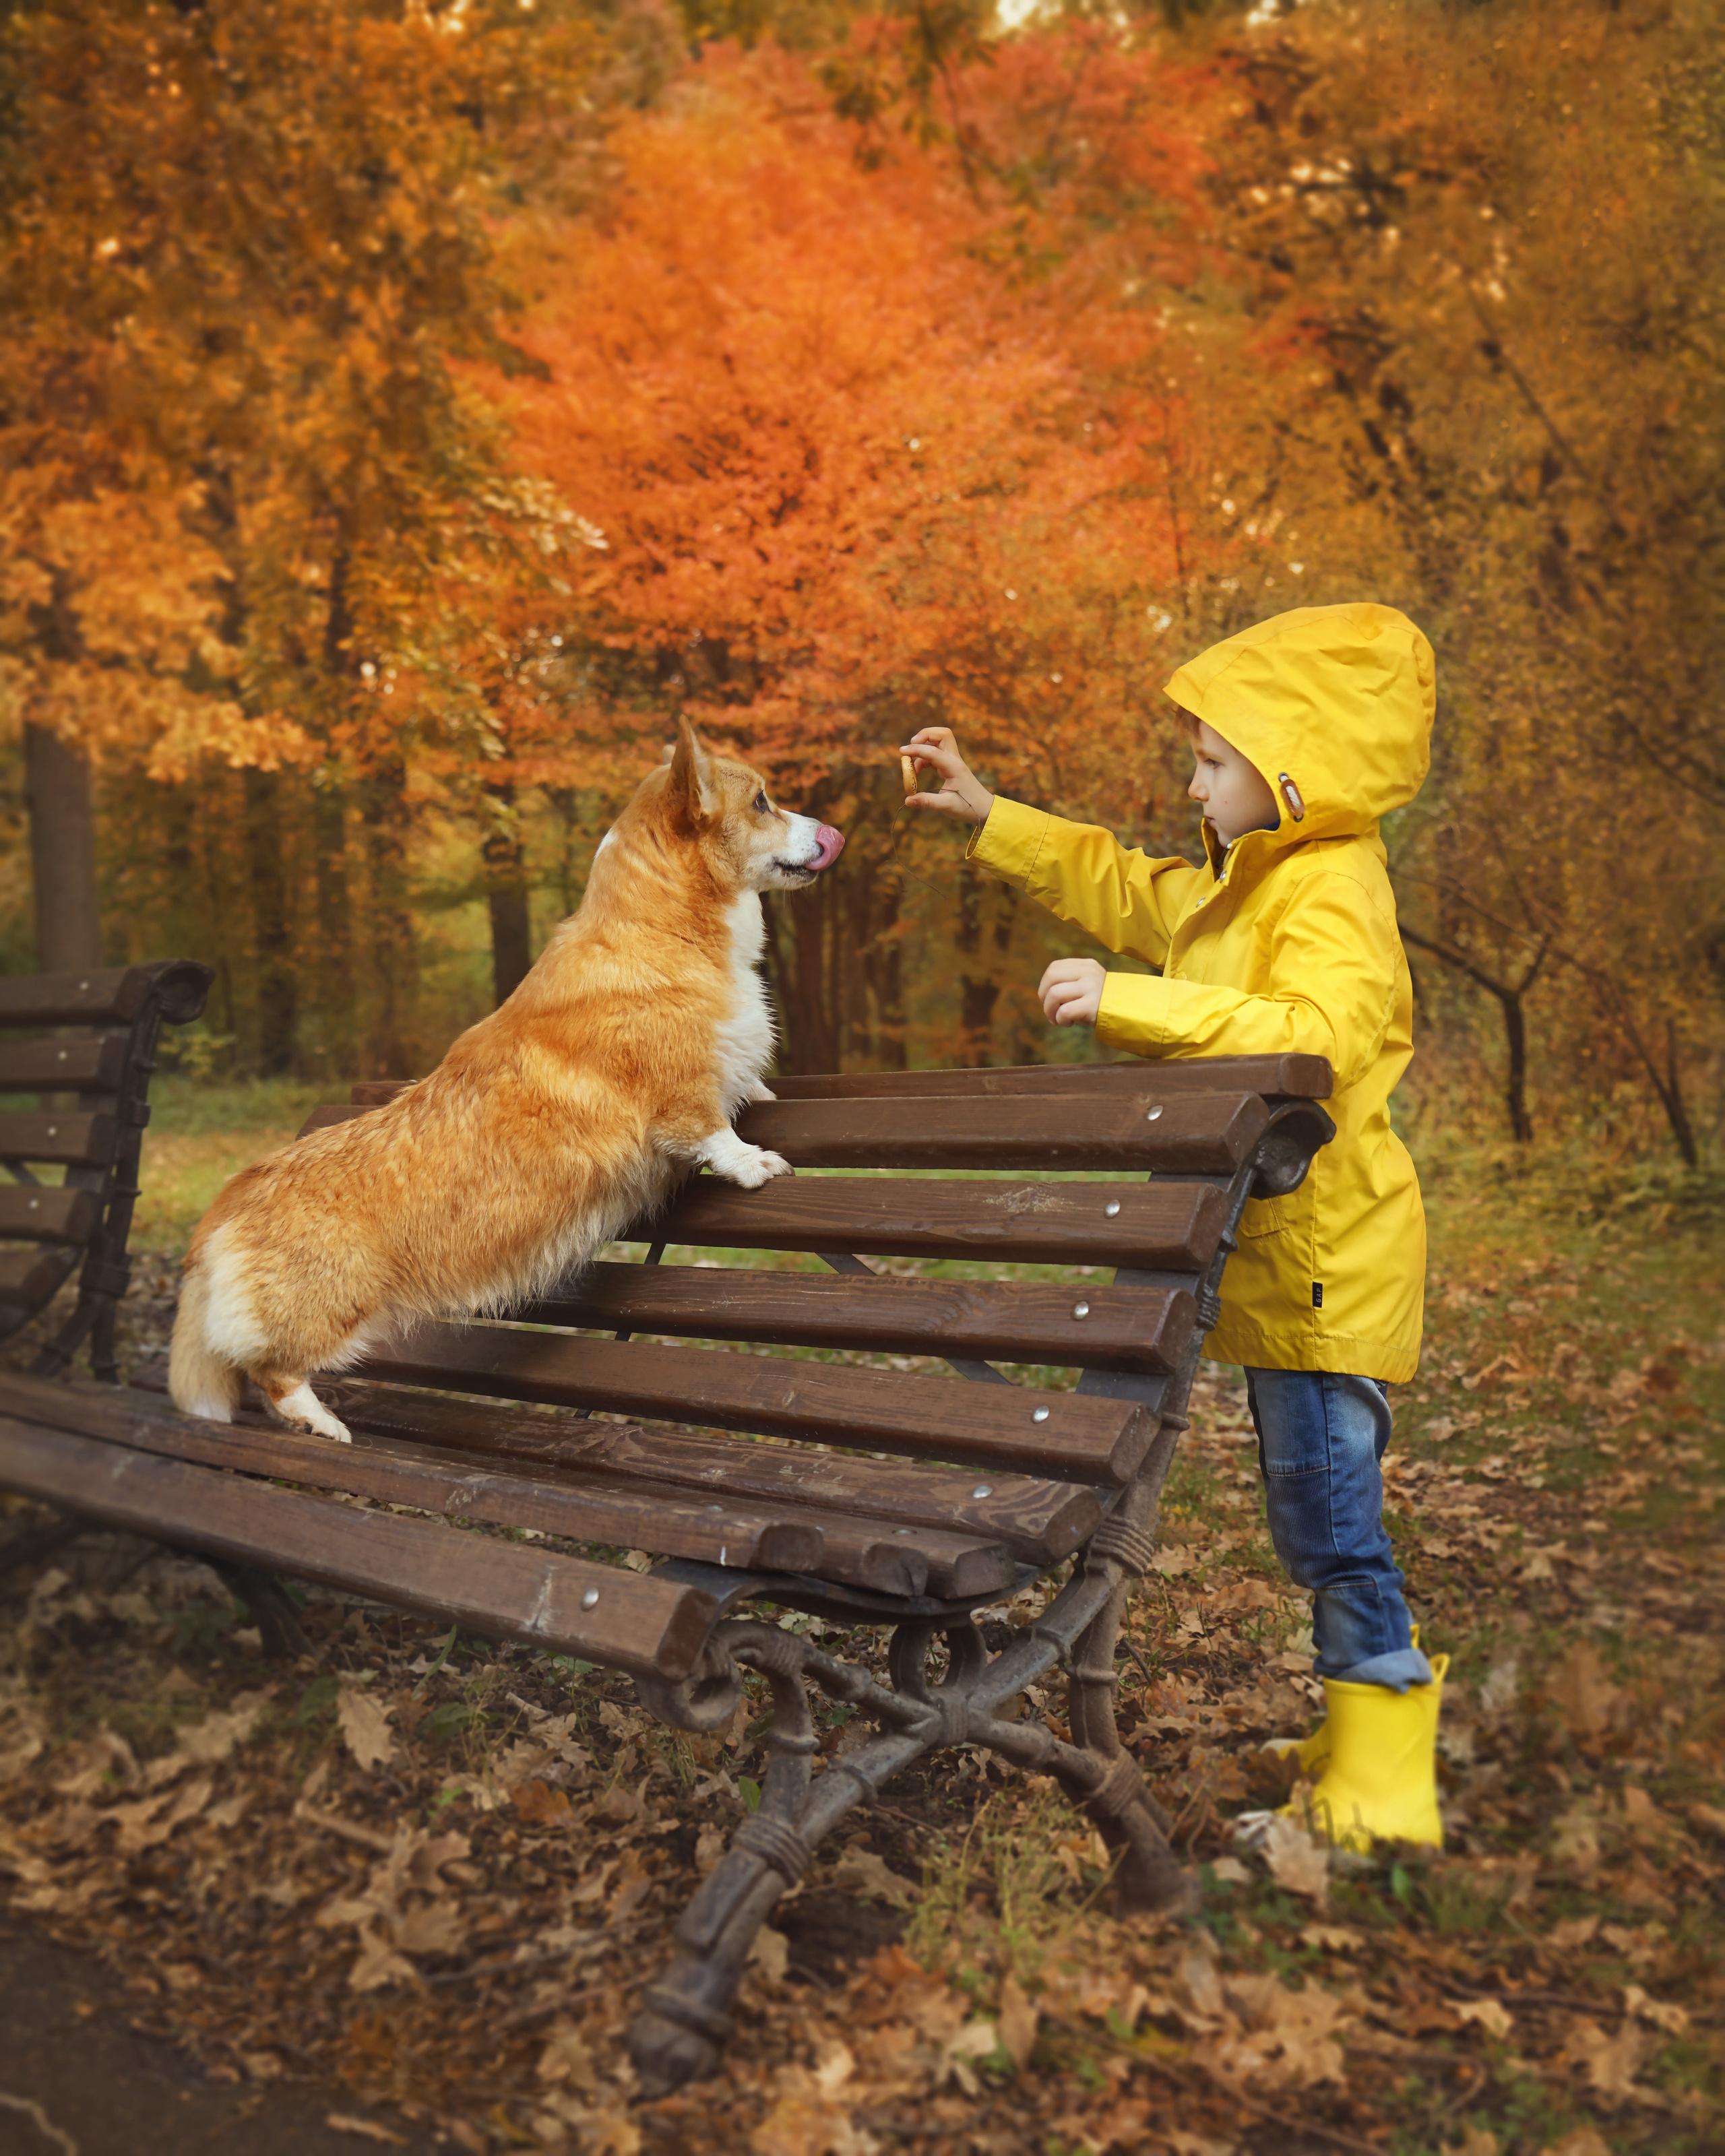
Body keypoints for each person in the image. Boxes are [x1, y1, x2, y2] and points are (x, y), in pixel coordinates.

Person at [900, 601, 1445, 1850]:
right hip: (1267, 1258)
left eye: (1211, 760)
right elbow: (1127, 887)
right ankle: (1357, 1737)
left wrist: (1133, 1007)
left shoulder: (1333, 889)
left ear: (1291, 770)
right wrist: (991, 813)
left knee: (1330, 1530)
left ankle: (1381, 1793)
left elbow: (1315, 1033)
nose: (1190, 778)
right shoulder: (1244, 886)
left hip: (1319, 1269)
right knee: (1319, 1520)